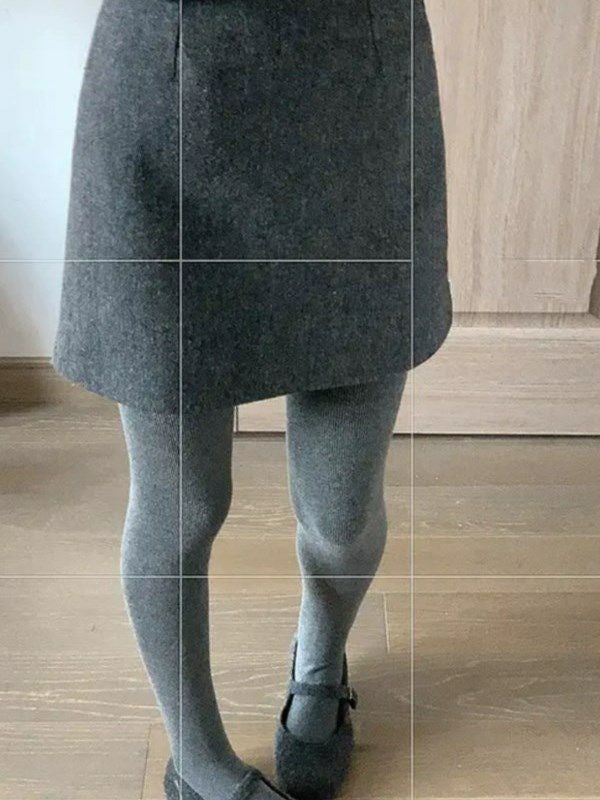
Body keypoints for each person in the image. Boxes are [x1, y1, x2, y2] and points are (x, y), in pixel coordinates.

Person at [53, 1, 452, 798]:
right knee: (180, 508)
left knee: (340, 514)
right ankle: (196, 760)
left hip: (359, 105)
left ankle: (319, 663)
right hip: (169, 97)